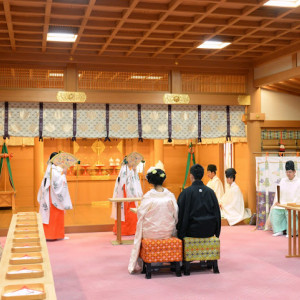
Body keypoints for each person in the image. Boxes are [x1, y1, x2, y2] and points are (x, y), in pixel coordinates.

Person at [128, 168, 178, 273]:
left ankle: (150, 261)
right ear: (163, 180)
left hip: (151, 233)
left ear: (151, 182)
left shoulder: (148, 196)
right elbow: (176, 214)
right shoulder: (170, 195)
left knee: (141, 226)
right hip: (167, 232)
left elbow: (141, 213)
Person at [177, 164, 221, 240]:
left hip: (191, 232)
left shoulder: (185, 193)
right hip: (209, 231)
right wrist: (217, 233)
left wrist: (180, 233)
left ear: (191, 176)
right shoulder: (210, 192)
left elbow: (179, 214)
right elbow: (217, 213)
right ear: (202, 175)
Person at [37, 152, 73, 240]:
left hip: (52, 196)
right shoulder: (52, 170)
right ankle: (51, 235)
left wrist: (63, 173)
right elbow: (57, 183)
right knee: (53, 215)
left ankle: (58, 235)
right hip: (52, 197)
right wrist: (64, 174)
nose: (59, 161)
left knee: (56, 215)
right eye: (58, 159)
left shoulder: (53, 169)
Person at [111, 157, 143, 236]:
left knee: (130, 211)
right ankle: (126, 230)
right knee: (125, 211)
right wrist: (134, 170)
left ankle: (130, 229)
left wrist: (134, 170)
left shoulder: (129, 170)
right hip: (125, 193)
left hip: (129, 193)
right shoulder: (124, 170)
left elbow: (134, 180)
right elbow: (125, 181)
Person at [270, 160, 300, 237]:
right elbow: (278, 192)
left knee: (290, 211)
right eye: (287, 172)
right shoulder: (283, 180)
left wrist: (294, 204)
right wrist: (278, 201)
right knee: (275, 210)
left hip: (294, 204)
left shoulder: (298, 182)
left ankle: (291, 232)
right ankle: (278, 230)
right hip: (283, 203)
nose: (288, 174)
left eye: (290, 172)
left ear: (294, 172)